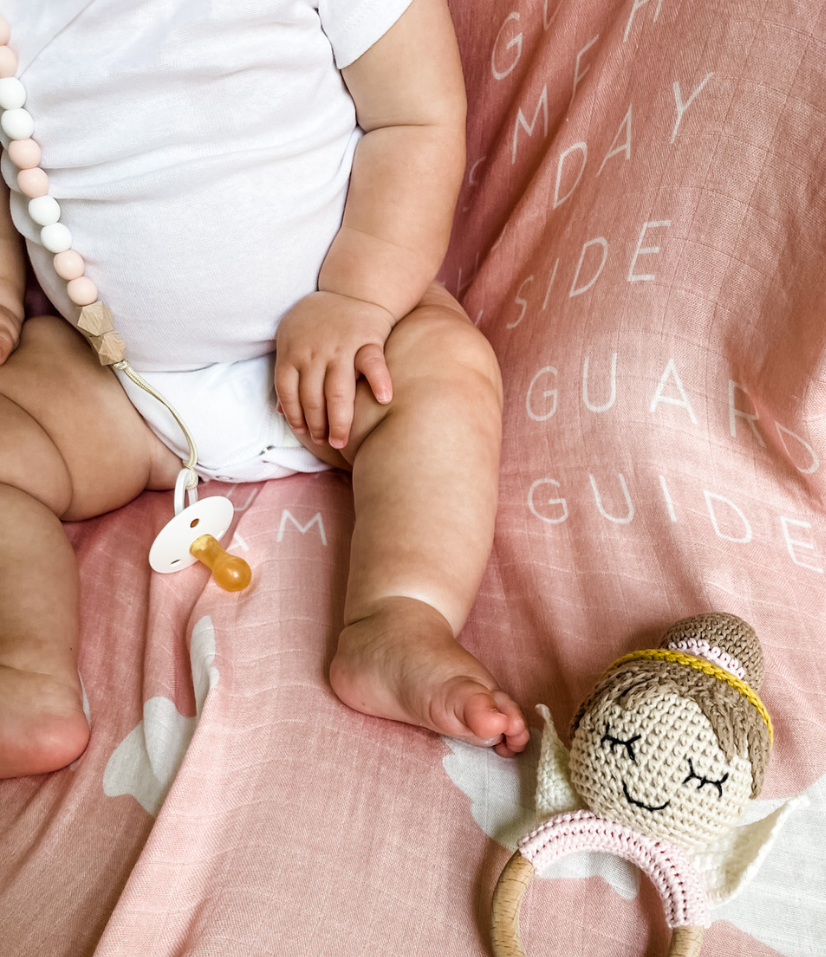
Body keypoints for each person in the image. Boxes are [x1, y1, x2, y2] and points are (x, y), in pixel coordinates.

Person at [0, 0, 529, 779]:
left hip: (345, 351)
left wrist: (360, 297)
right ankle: (29, 673)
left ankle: (398, 616)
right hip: (121, 379)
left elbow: (416, 120)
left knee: (444, 372)